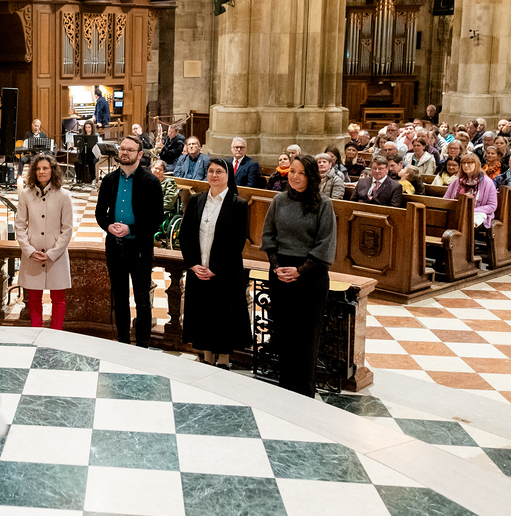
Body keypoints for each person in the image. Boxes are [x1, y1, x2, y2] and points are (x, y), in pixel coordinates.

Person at [261, 154, 337, 398]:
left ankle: (304, 393)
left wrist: (299, 271)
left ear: (311, 176)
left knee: (306, 339)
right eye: (292, 171)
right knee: (283, 335)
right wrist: (276, 266)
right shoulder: (279, 200)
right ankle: (285, 390)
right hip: (281, 273)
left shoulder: (324, 204)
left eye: (301, 173)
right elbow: (268, 235)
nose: (294, 176)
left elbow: (325, 243)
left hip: (310, 276)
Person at [178, 159, 251, 369]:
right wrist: (193, 264)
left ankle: (224, 360)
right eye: (211, 171)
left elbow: (237, 242)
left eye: (219, 171)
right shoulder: (196, 200)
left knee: (223, 316)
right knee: (203, 315)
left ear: (228, 175)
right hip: (199, 269)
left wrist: (215, 269)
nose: (214, 175)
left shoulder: (238, 204)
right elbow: (185, 235)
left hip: (225, 273)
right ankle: (207, 357)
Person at [96, 135, 164, 347]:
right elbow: (100, 213)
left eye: (130, 150)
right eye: (122, 149)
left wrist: (130, 229)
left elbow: (157, 219)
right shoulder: (109, 180)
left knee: (142, 300)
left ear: (140, 154)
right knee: (120, 299)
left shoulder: (151, 182)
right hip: (115, 248)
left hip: (139, 249)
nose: (124, 153)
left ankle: (142, 345)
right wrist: (108, 226)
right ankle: (123, 342)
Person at [15, 153, 74, 329]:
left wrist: (52, 253)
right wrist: (29, 250)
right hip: (33, 254)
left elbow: (67, 229)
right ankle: (36, 331)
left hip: (56, 255)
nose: (41, 171)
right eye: (38, 169)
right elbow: (20, 226)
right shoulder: (26, 195)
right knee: (33, 298)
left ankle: (56, 333)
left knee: (58, 298)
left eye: (45, 168)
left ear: (52, 170)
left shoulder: (64, 196)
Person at [444, 152, 498, 229]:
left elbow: (492, 206)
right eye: (464, 163)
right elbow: (446, 199)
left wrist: (471, 210)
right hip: (457, 213)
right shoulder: (457, 181)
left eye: (469, 163)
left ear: (476, 164)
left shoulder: (487, 182)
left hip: (477, 215)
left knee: (466, 222)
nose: (466, 165)